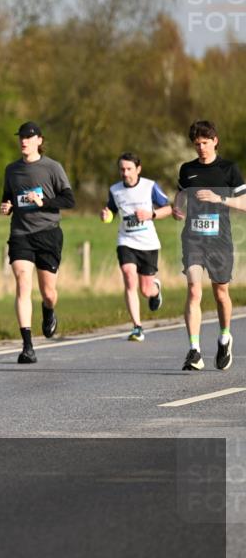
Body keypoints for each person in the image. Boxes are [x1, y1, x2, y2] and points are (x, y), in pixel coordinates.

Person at [0, 122, 75, 364]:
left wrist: (44, 202)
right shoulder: (12, 170)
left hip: (48, 234)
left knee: (48, 293)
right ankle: (27, 346)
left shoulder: (52, 167)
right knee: (23, 282)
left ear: (39, 141)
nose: (24, 141)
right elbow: (8, 198)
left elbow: (69, 200)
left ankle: (48, 309)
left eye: (29, 137)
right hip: (21, 234)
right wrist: (7, 206)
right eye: (21, 137)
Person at [172, 120, 244, 371]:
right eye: (197, 144)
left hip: (219, 241)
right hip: (193, 239)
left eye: (205, 142)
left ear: (215, 141)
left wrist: (219, 198)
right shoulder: (187, 169)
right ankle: (194, 351)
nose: (201, 148)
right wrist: (177, 208)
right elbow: (180, 194)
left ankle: (225, 338)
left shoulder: (228, 169)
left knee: (221, 293)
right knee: (193, 290)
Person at [100, 153, 171, 342]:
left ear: (138, 169)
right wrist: (106, 215)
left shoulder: (149, 186)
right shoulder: (115, 190)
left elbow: (168, 208)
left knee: (146, 291)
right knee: (129, 276)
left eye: (129, 169)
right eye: (122, 169)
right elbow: (111, 211)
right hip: (126, 241)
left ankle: (155, 290)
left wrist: (151, 214)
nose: (125, 173)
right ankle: (137, 327)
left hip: (148, 243)